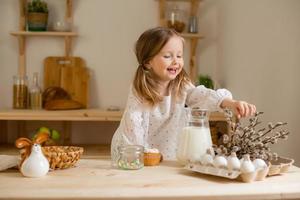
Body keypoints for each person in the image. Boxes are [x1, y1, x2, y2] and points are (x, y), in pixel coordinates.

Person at [111, 27, 256, 165]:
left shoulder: (181, 85)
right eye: (167, 56)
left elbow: (202, 95)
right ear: (148, 62)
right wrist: (141, 154)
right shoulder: (140, 90)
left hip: (168, 151)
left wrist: (231, 103)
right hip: (135, 150)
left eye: (179, 55)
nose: (176, 61)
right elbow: (133, 125)